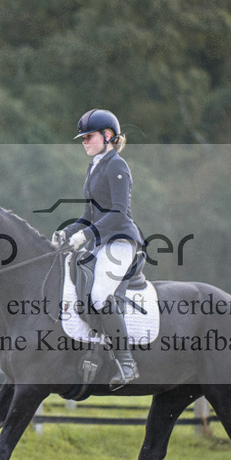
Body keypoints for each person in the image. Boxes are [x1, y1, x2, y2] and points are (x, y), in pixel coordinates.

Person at [52, 108, 143, 389]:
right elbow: (88, 215)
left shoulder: (117, 166)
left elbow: (118, 212)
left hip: (121, 241)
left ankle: (127, 363)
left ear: (107, 135)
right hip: (102, 241)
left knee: (101, 295)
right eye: (82, 138)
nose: (84, 142)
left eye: (88, 136)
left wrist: (86, 235)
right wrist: (67, 232)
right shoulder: (94, 167)